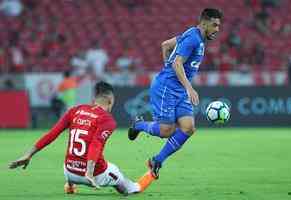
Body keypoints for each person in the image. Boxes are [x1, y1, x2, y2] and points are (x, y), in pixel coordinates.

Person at [9, 81, 155, 195]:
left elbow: (52, 134)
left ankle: (70, 185)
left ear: (94, 98)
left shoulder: (75, 110)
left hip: (69, 170)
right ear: (110, 100)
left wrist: (29, 154)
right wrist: (89, 172)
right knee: (130, 187)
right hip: (93, 175)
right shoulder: (107, 120)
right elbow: (95, 144)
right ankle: (152, 172)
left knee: (73, 159)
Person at [128, 8, 223, 178]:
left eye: (219, 26)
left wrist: (170, 70)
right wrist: (188, 87)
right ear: (204, 23)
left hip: (177, 88)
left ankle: (157, 160)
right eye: (214, 25)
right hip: (166, 88)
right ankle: (138, 125)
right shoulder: (193, 39)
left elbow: (165, 45)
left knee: (188, 128)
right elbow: (177, 64)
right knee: (166, 130)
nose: (217, 29)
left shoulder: (194, 36)